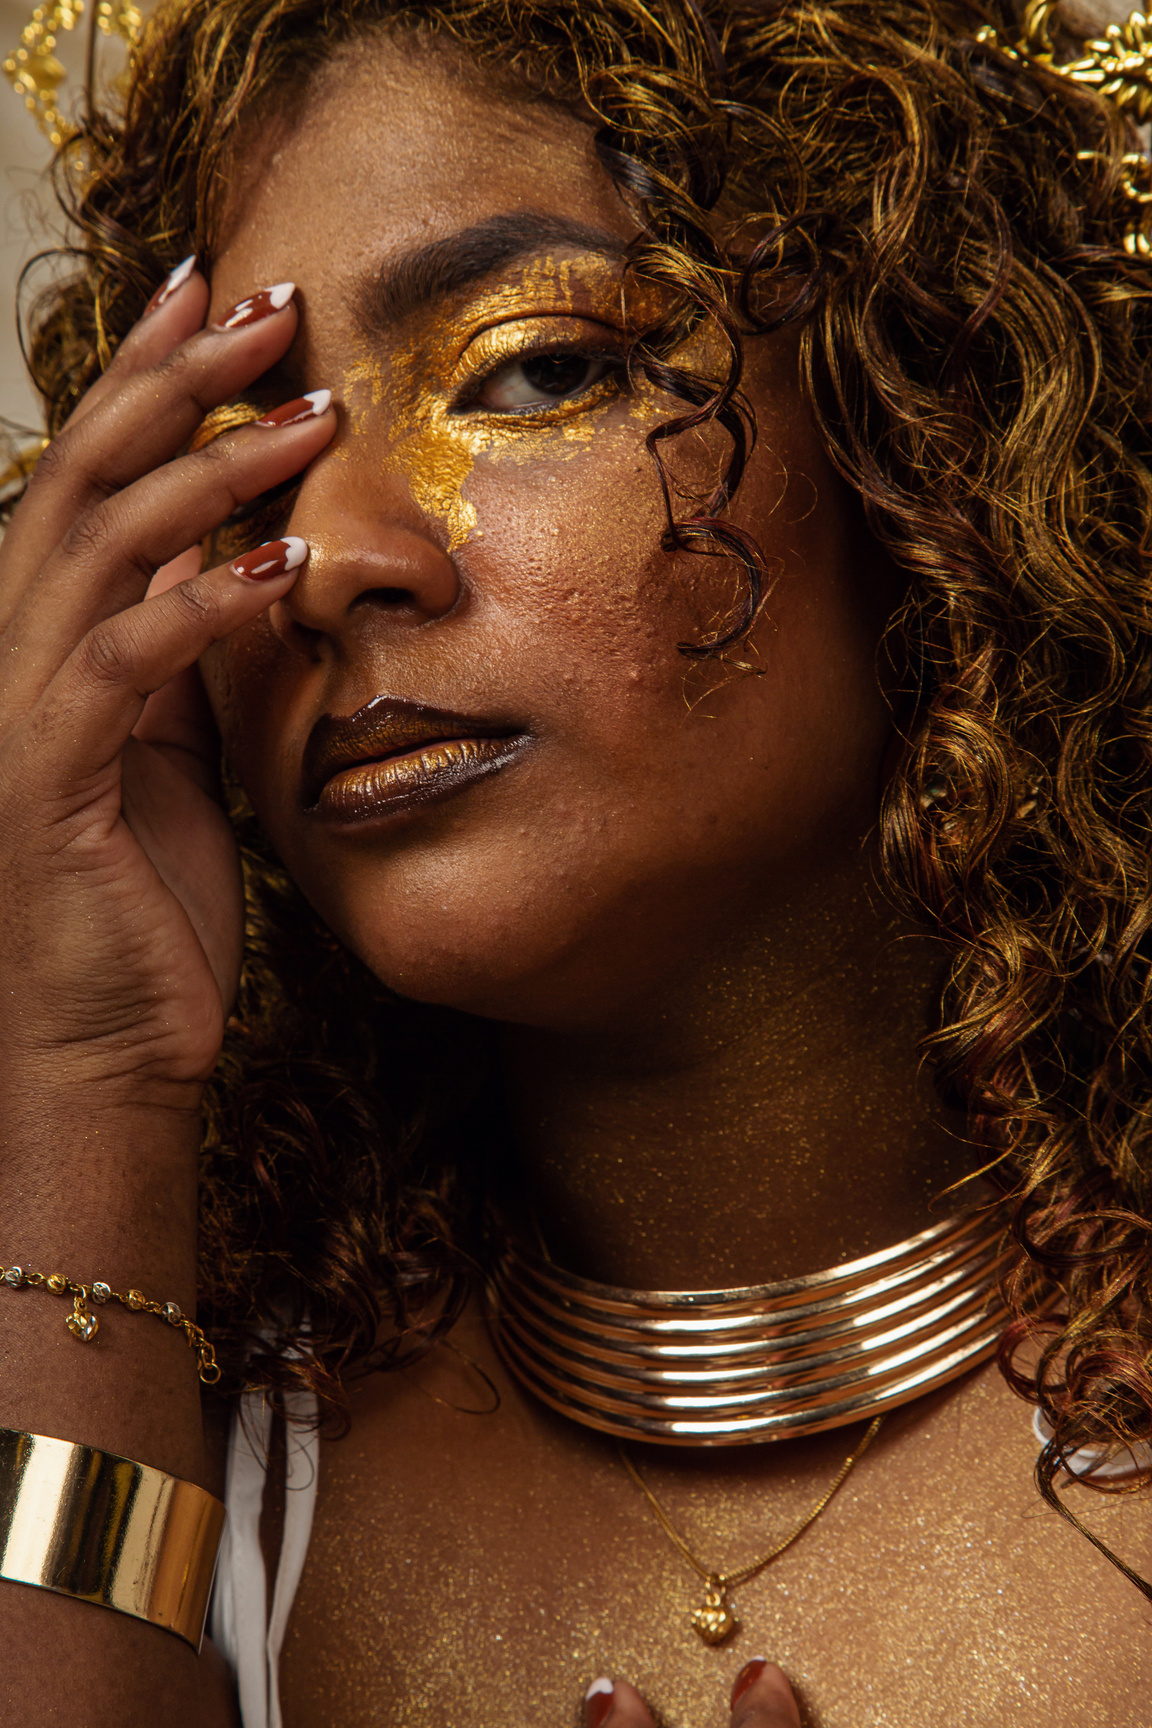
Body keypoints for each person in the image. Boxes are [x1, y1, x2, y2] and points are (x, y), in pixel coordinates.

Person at [1, 0, 1150, 1720]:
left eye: (533, 368)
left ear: (922, 422)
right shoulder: (194, 1454)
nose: (321, 556)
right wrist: (84, 1081)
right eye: (236, 453)